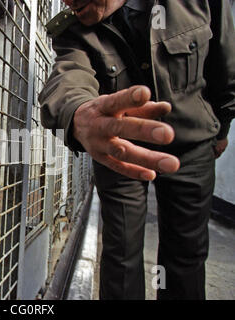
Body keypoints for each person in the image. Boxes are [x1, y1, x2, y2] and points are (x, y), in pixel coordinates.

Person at [39, 0, 235, 299]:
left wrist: (222, 126)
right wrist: (78, 112)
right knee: (121, 252)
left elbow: (226, 64)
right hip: (119, 151)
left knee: (186, 252)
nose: (66, 0)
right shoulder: (75, 27)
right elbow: (69, 77)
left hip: (193, 146)